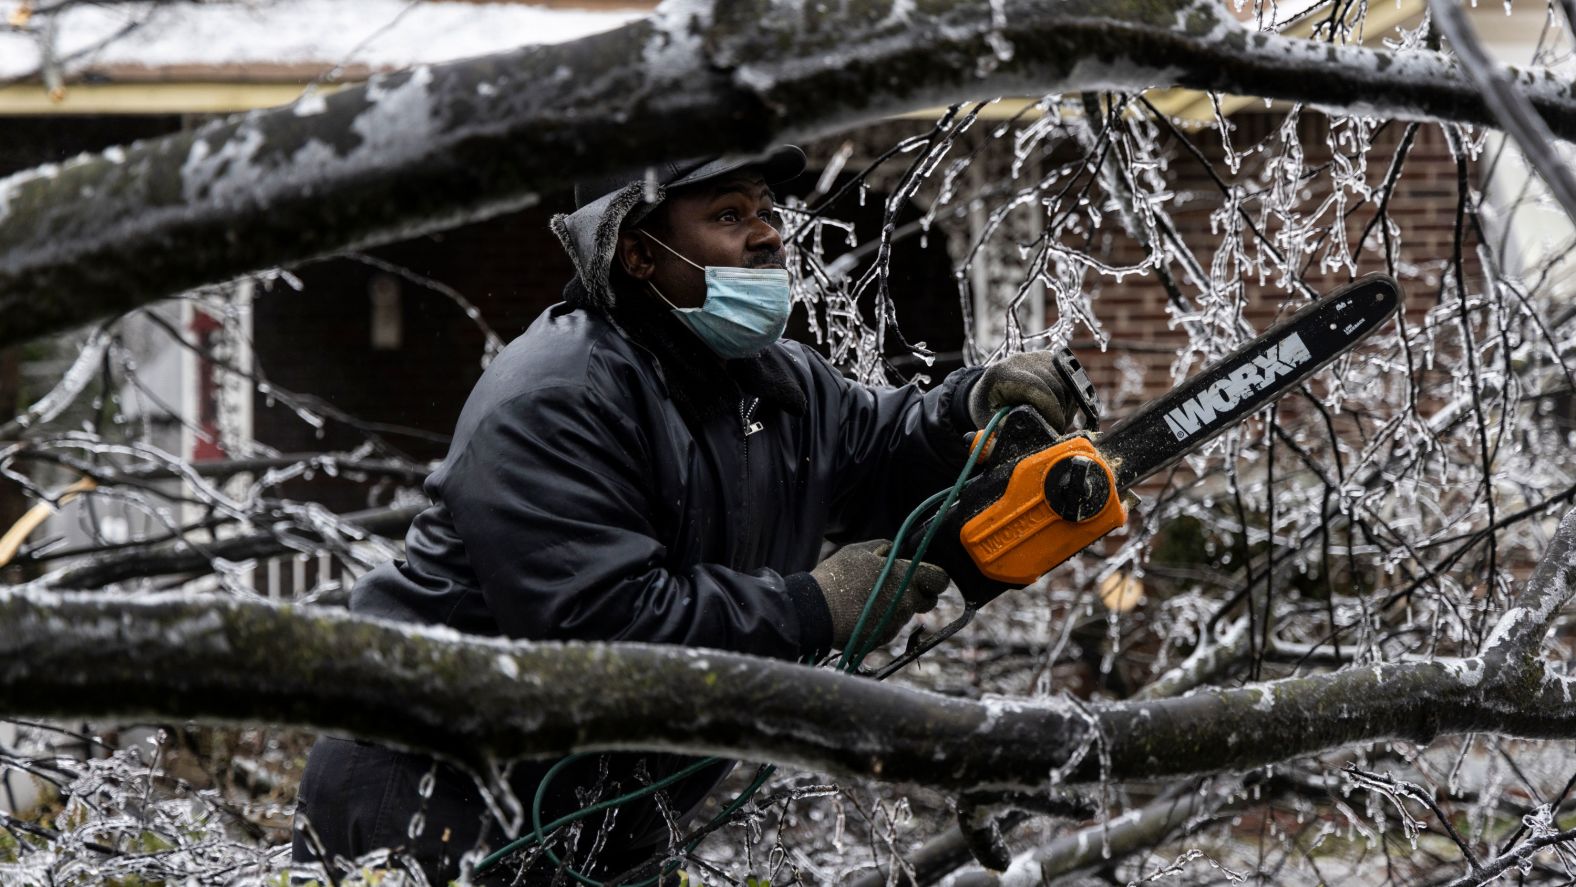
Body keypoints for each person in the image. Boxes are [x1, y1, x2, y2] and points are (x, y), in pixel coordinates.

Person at [291, 145, 1077, 884]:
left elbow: (878, 449)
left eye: (766, 209)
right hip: (432, 805)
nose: (768, 234)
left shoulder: (773, 383)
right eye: (729, 215)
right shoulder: (559, 397)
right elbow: (603, 627)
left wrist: (971, 405)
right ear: (637, 252)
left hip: (607, 814)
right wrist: (812, 605)